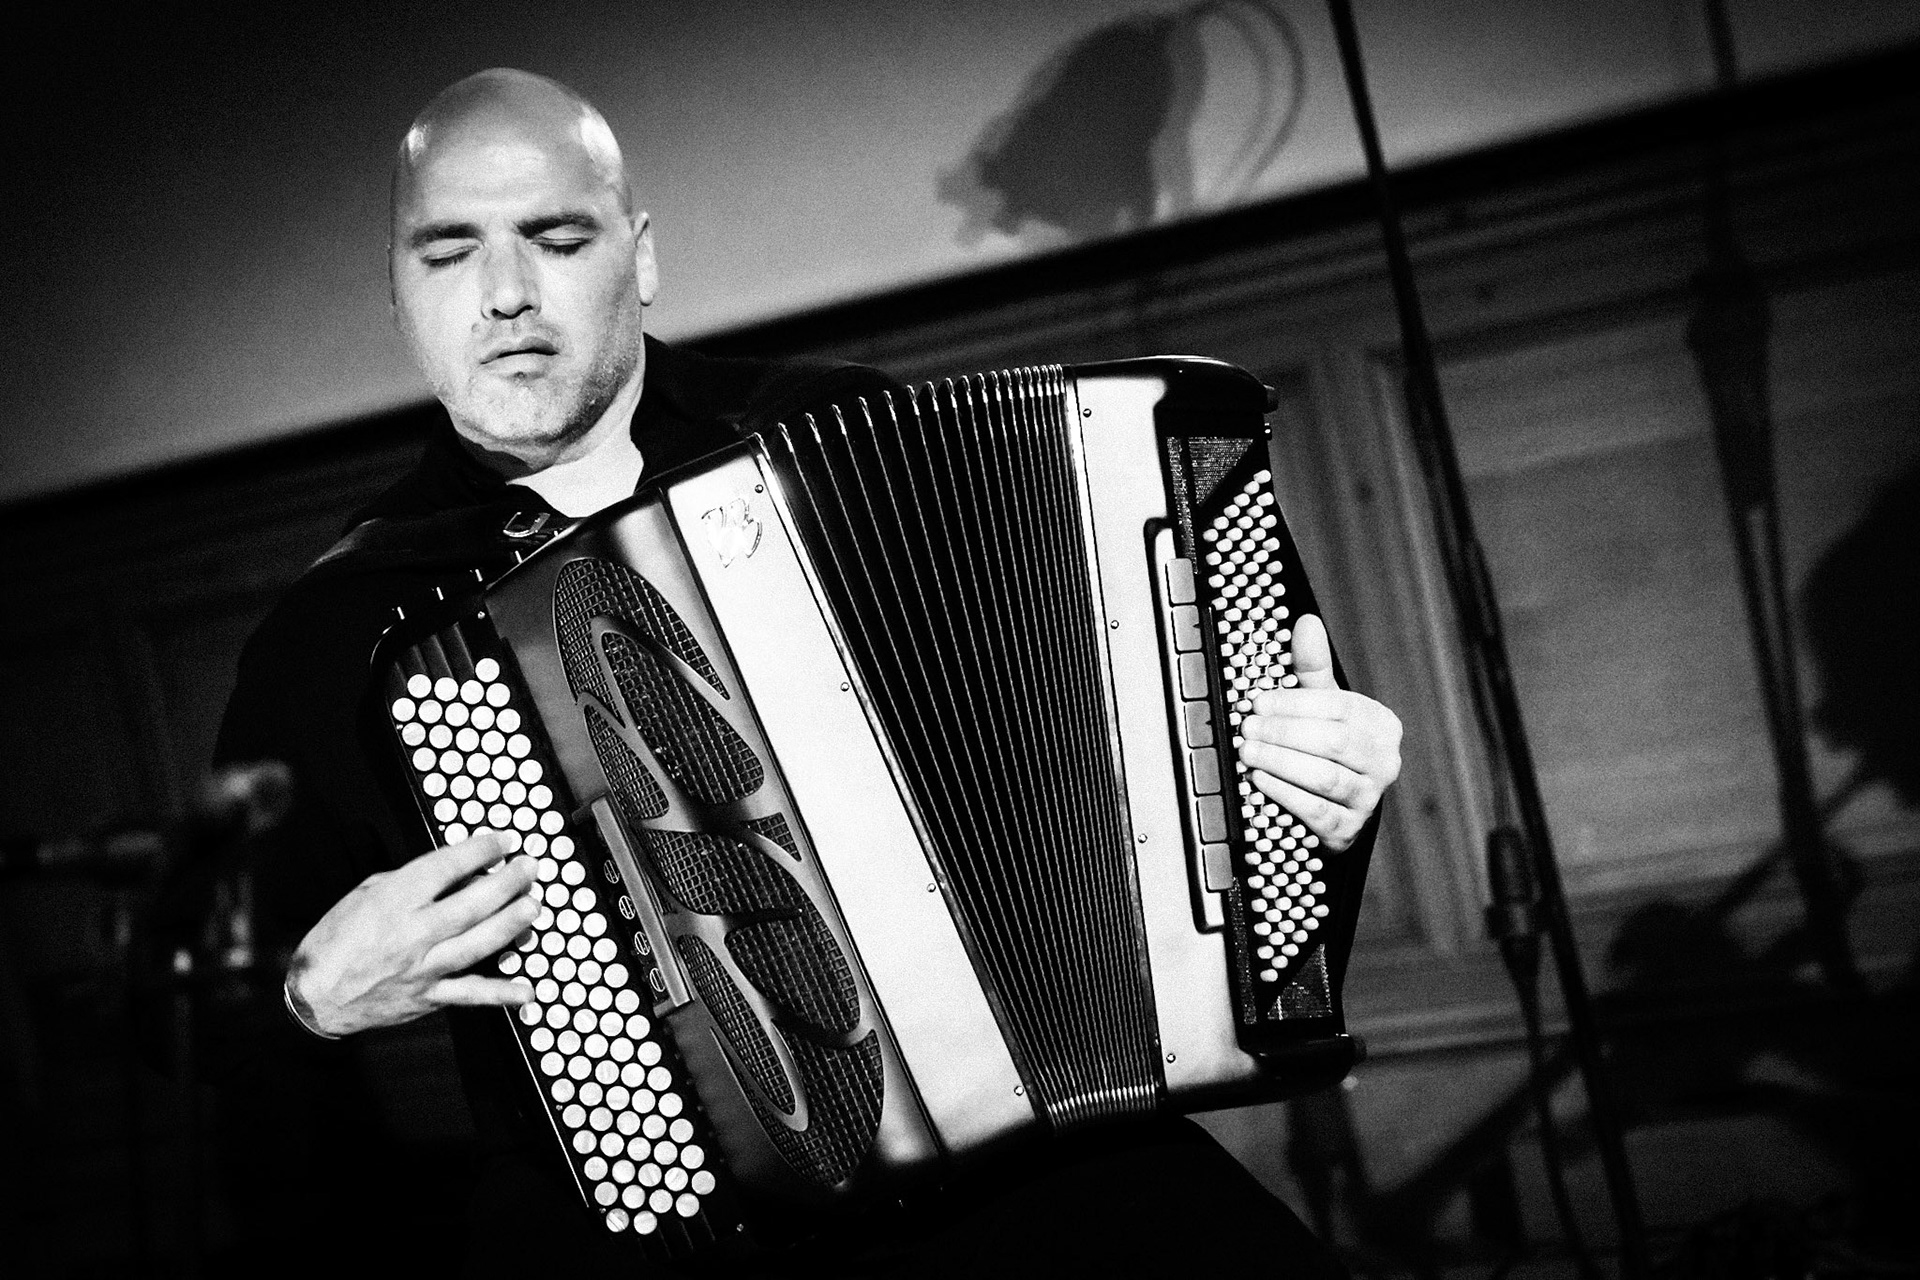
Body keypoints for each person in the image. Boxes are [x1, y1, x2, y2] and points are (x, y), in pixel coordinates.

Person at [213, 68, 1403, 1277]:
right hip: (681, 1236)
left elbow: (1168, 754)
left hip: (1039, 1164)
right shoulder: (338, 630)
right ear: (400, 291)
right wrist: (310, 994)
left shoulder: (836, 432)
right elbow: (215, 1002)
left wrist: (1313, 788)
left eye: (557, 240)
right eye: (449, 251)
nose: (506, 291)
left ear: (641, 255)